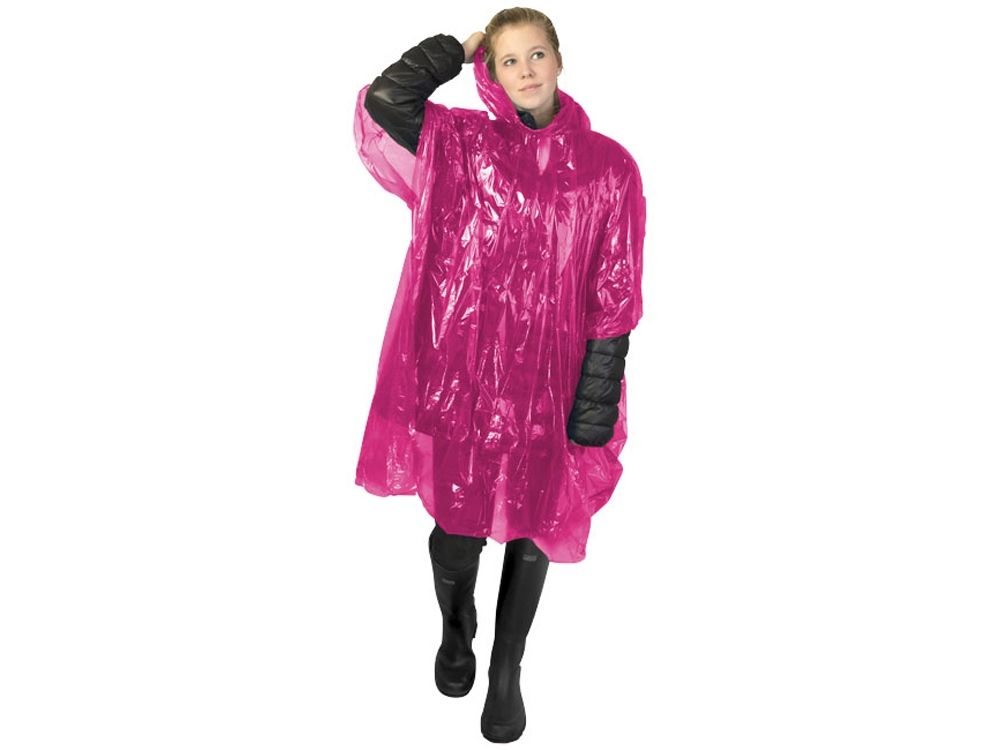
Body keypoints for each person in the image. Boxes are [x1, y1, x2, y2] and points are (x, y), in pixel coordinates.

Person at [353, 7, 645, 743]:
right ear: (492, 69)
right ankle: (457, 629)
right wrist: (456, 49)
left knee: (537, 527)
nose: (525, 71)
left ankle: (507, 668)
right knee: (457, 529)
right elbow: (386, 100)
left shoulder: (610, 168)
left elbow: (615, 294)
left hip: (554, 385)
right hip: (466, 379)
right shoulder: (462, 144)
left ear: (559, 58)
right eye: (509, 59)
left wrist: (594, 406)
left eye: (536, 54)